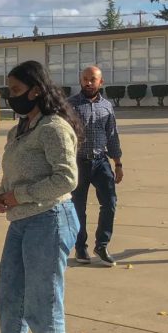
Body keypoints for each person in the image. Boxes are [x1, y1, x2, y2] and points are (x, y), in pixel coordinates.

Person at [0, 60, 81, 333]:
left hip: (50, 220)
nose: (11, 97)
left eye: (16, 91)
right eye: (9, 90)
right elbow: (13, 172)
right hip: (20, 222)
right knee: (9, 293)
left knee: (42, 297)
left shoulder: (54, 127)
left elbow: (67, 178)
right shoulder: (18, 129)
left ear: (36, 90)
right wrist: (4, 193)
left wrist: (22, 195)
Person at [68, 66, 123, 266]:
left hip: (101, 162)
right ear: (80, 81)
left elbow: (112, 136)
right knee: (77, 207)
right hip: (77, 163)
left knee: (109, 203)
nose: (88, 83)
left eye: (93, 79)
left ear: (101, 82)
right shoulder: (69, 105)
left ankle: (102, 245)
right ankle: (80, 247)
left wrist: (118, 163)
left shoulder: (107, 106)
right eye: (85, 79)